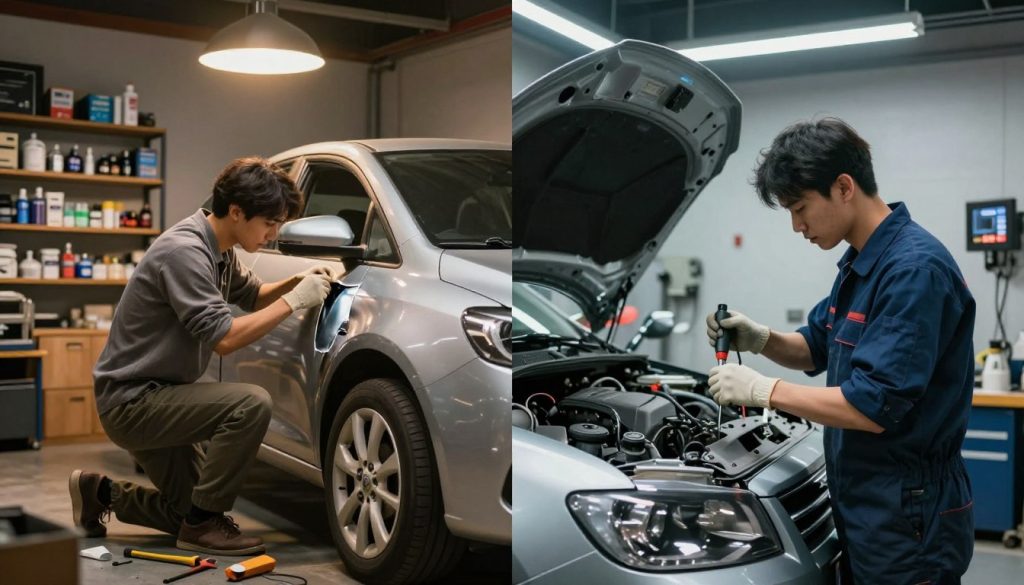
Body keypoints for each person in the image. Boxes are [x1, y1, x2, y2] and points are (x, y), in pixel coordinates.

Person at [705, 118, 975, 584]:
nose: (797, 226)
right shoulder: (862, 263)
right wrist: (761, 338)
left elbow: (872, 405)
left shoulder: (913, 271)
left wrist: (763, 390)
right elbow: (816, 347)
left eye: (800, 208)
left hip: (909, 512)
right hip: (868, 503)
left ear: (844, 187)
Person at [68, 157, 337, 555]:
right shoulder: (185, 252)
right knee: (249, 404)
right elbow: (224, 338)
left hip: (159, 394)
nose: (273, 234)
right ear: (237, 212)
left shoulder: (219, 248)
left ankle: (100, 493)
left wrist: (296, 281)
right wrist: (295, 301)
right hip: (134, 402)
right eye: (269, 223)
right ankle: (203, 525)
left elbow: (252, 295)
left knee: (187, 511)